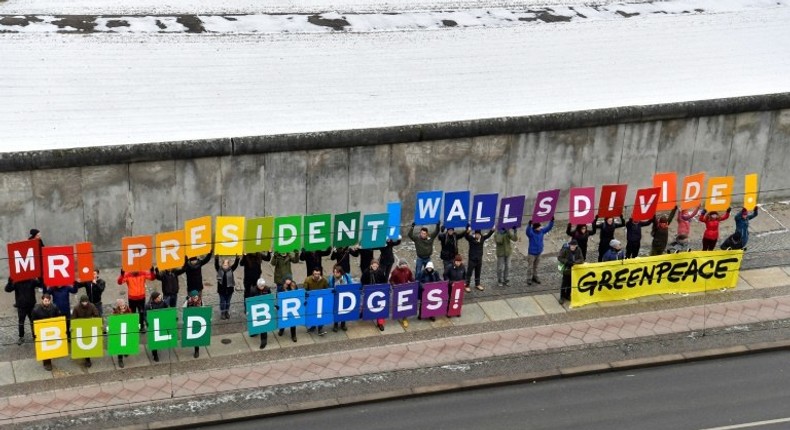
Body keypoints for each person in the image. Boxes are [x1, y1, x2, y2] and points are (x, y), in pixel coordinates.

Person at [117, 268, 155, 333]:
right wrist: (122, 275)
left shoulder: (143, 273)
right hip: (132, 298)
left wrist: (152, 271)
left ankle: (142, 327)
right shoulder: (127, 275)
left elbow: (152, 278)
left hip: (141, 298)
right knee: (132, 313)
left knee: (142, 313)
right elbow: (120, 282)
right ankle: (133, 327)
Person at [5, 276, 39, 345]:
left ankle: (34, 335)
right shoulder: (17, 282)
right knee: (21, 322)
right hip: (21, 306)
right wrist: (10, 281)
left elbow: (40, 284)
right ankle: (21, 337)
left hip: (31, 305)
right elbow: (7, 289)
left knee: (33, 321)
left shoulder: (31, 280)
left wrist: (39, 277)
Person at [32, 293, 61, 371]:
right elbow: (33, 323)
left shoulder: (54, 307)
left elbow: (58, 318)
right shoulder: (36, 310)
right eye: (45, 301)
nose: (47, 302)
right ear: (42, 300)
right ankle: (47, 362)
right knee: (45, 348)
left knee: (50, 345)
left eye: (48, 301)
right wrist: (34, 334)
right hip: (42, 331)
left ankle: (50, 358)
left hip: (52, 329)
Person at [72, 294, 100, 367]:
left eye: (86, 302)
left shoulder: (92, 306)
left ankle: (88, 359)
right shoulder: (76, 308)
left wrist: (97, 323)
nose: (84, 303)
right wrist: (73, 327)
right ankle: (85, 357)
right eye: (83, 302)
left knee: (88, 341)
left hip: (89, 325)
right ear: (81, 302)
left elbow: (96, 315)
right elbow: (73, 318)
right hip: (80, 327)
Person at [361, 259, 389, 330]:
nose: (375, 267)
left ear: (378, 266)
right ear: (371, 265)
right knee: (365, 303)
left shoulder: (380, 272)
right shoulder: (367, 272)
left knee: (379, 307)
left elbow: (384, 281)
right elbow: (362, 280)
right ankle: (363, 312)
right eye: (373, 266)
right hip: (369, 290)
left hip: (378, 291)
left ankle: (380, 323)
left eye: (376, 266)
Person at [525, 218, 554, 286]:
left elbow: (548, 228)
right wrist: (529, 225)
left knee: (536, 266)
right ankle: (529, 278)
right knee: (530, 267)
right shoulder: (531, 233)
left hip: (539, 252)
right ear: (535, 228)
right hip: (532, 253)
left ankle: (535, 277)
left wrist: (551, 221)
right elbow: (527, 232)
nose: (540, 228)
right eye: (539, 227)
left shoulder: (541, 231)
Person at [303, 266, 329, 336]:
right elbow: (305, 290)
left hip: (321, 300)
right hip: (312, 300)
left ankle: (320, 329)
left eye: (318, 274)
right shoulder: (308, 280)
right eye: (315, 274)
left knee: (320, 314)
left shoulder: (324, 280)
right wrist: (306, 295)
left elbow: (327, 289)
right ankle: (313, 326)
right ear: (313, 274)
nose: (317, 276)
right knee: (312, 314)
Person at [557, 240, 584, 305]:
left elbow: (581, 259)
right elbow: (560, 257)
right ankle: (562, 297)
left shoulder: (578, 250)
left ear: (576, 246)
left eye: (574, 246)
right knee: (564, 283)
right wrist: (567, 262)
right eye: (571, 245)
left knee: (571, 283)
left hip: (574, 270)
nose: (572, 247)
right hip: (566, 270)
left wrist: (574, 262)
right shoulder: (565, 250)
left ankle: (567, 295)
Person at [215, 255, 240, 320]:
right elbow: (216, 265)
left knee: (228, 302)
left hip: (229, 290)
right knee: (223, 302)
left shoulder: (231, 269)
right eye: (224, 264)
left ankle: (226, 312)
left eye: (226, 264)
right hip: (221, 290)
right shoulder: (219, 269)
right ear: (222, 264)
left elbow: (236, 264)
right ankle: (223, 313)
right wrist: (216, 258)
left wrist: (237, 258)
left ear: (229, 265)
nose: (225, 266)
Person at [145, 291, 168, 362]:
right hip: (153, 325)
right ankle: (155, 355)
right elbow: (145, 316)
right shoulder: (148, 306)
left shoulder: (164, 303)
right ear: (155, 298)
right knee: (154, 340)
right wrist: (147, 322)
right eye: (158, 297)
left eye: (160, 296)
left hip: (161, 323)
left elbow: (168, 311)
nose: (160, 298)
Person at [329, 265, 353, 332]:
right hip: (336, 297)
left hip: (345, 296)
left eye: (337, 272)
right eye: (334, 272)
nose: (335, 274)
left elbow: (351, 284)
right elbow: (330, 287)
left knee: (344, 310)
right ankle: (335, 324)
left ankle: (343, 324)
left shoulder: (346, 276)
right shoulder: (331, 278)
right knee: (336, 311)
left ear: (341, 273)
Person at [277, 275, 299, 342]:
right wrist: (284, 289)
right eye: (287, 279)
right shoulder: (281, 287)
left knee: (292, 321)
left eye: (289, 279)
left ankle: (293, 335)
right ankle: (281, 329)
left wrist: (293, 289)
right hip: (284, 306)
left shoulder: (293, 285)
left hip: (292, 306)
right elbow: (278, 295)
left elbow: (297, 294)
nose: (288, 281)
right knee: (284, 318)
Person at [251, 278, 272, 349]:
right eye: (260, 286)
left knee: (263, 325)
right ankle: (255, 332)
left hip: (264, 310)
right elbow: (250, 300)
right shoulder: (253, 290)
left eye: (263, 286)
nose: (262, 288)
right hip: (256, 309)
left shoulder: (267, 289)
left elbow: (270, 298)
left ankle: (264, 341)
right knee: (255, 322)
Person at [112, 299, 132, 368]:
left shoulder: (128, 310)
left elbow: (131, 319)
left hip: (126, 330)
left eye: (123, 305)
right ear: (118, 306)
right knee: (120, 346)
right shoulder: (115, 313)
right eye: (121, 306)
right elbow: (114, 322)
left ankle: (126, 351)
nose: (123, 307)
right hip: (119, 332)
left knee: (126, 342)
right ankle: (120, 359)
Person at [183, 290, 204, 358]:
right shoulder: (187, 302)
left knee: (196, 338)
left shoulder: (201, 302)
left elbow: (205, 311)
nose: (195, 299)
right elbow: (184, 310)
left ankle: (196, 351)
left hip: (198, 322)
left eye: (196, 297)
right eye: (194, 297)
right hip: (190, 322)